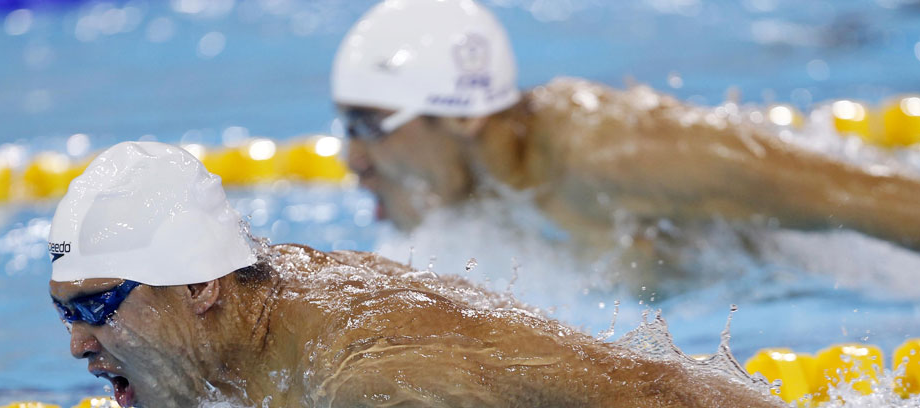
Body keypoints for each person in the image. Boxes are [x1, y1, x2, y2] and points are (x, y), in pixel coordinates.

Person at [49, 142, 918, 408]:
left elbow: (649, 394)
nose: (79, 347)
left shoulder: (362, 377)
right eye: (67, 314)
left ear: (202, 285)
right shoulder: (244, 325)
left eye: (97, 307)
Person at [331, 0, 920, 251]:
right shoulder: (482, 189)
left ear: (463, 114)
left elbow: (874, 199)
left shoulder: (620, 154)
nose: (351, 159)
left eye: (367, 125)